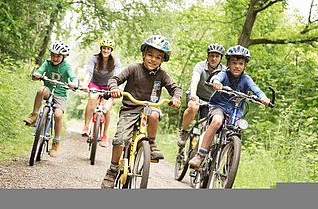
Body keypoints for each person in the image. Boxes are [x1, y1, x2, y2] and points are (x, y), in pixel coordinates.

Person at [101, 35, 182, 189]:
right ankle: (112, 171)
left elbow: (175, 88)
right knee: (120, 139)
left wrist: (176, 98)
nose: (153, 59)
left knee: (154, 114)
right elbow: (115, 79)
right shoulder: (133, 68)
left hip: (149, 108)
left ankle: (150, 143)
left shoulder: (162, 75)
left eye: (158, 57)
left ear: (163, 60)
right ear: (144, 54)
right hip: (130, 109)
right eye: (150, 55)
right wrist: (114, 88)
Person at [188, 45, 271, 169]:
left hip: (236, 111)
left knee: (237, 130)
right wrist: (216, 82)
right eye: (234, 63)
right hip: (218, 106)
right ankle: (200, 154)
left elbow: (256, 90)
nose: (237, 66)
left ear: (245, 66)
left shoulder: (246, 79)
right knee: (217, 121)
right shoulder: (224, 74)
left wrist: (263, 97)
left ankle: (229, 164)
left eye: (241, 63)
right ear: (228, 63)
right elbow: (217, 77)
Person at [23, 41, 78, 157]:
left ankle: (56, 142)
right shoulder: (47, 63)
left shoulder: (66, 67)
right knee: (41, 90)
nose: (55, 58)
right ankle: (34, 115)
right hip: (49, 90)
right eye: (53, 55)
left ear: (64, 57)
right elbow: (39, 71)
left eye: (58, 56)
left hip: (60, 94)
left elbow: (73, 77)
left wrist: (73, 83)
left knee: (58, 115)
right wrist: (37, 74)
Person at [177, 43, 226, 148]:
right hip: (197, 95)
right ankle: (184, 131)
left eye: (217, 56)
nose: (214, 58)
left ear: (221, 58)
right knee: (193, 106)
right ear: (207, 56)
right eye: (211, 55)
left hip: (211, 101)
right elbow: (195, 80)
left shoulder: (224, 71)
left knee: (206, 127)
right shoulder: (200, 66)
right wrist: (194, 94)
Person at [81, 38, 122, 147]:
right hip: (95, 84)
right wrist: (85, 84)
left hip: (109, 87)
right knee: (92, 99)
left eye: (108, 49)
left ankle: (104, 135)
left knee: (106, 109)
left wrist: (117, 88)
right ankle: (86, 126)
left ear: (111, 50)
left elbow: (118, 76)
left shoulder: (115, 61)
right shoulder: (94, 59)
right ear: (101, 49)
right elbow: (89, 72)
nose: (106, 50)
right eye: (104, 48)